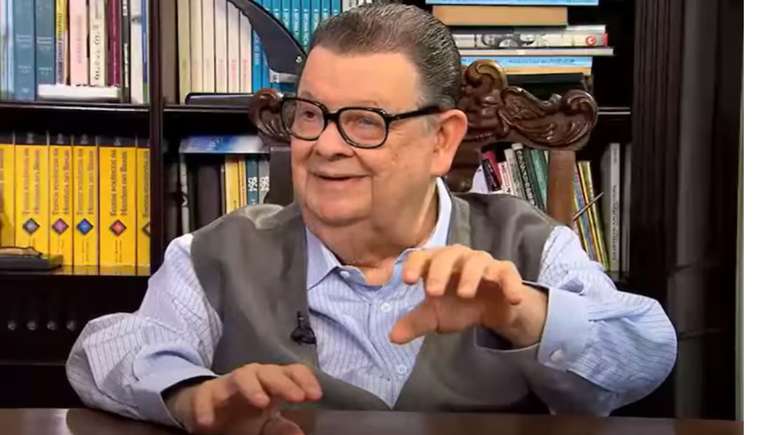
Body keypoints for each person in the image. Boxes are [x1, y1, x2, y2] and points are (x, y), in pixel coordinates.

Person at [66, 4, 677, 435]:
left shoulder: (529, 246)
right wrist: (190, 398)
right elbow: (105, 352)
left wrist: (520, 315)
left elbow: (648, 351)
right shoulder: (216, 254)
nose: (326, 146)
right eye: (311, 114)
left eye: (365, 121)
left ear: (442, 140)